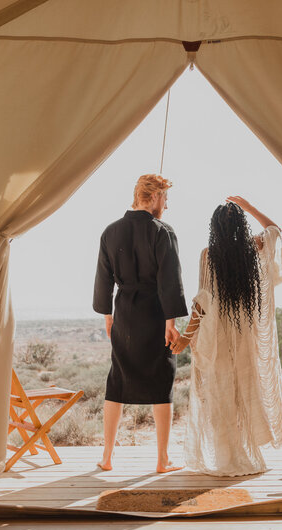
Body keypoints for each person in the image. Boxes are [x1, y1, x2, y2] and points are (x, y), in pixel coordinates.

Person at [171, 196, 282, 476]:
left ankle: (228, 457)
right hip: (245, 336)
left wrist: (186, 339)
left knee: (220, 395)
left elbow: (202, 304)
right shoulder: (254, 248)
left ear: (215, 228)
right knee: (242, 395)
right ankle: (244, 454)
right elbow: (274, 230)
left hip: (218, 338)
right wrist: (249, 207)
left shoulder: (208, 256)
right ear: (241, 225)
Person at [93, 174, 188, 473]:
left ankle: (107, 457)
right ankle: (162, 460)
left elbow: (103, 280)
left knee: (117, 382)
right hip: (156, 314)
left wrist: (109, 317)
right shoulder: (163, 231)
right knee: (162, 383)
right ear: (156, 197)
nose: (167, 205)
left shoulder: (110, 232)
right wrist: (170, 323)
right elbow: (169, 281)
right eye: (166, 199)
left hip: (124, 313)